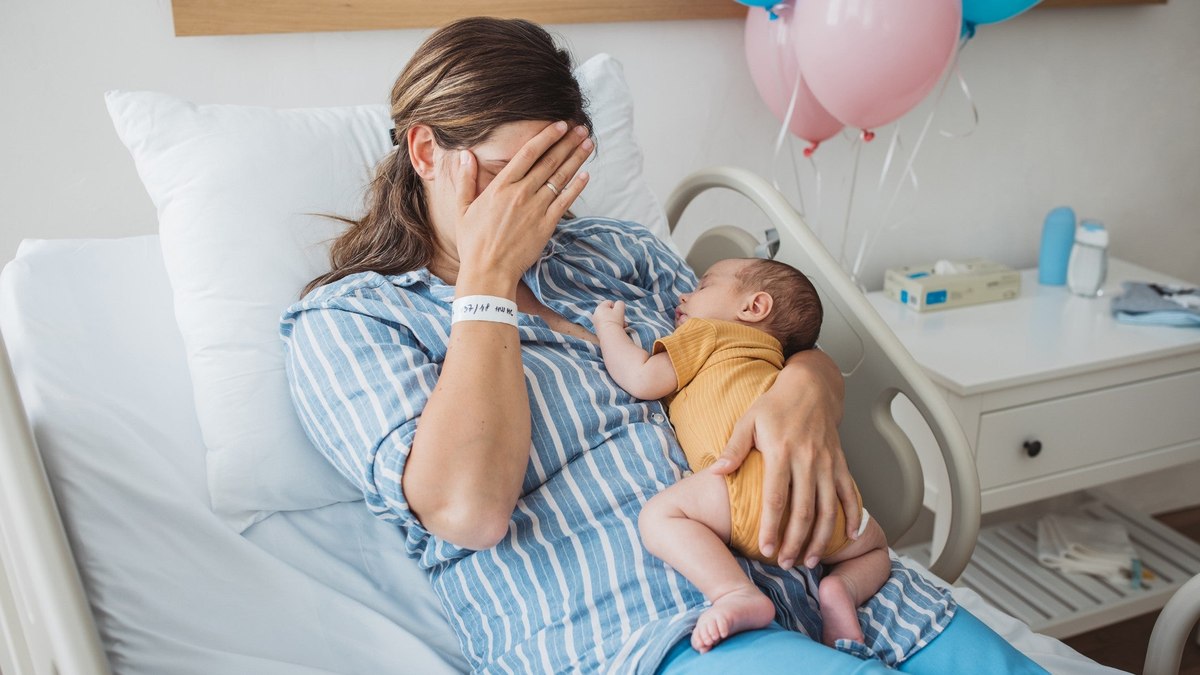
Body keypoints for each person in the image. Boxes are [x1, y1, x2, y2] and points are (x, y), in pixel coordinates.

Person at [280, 16, 1048, 674]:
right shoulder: (354, 323)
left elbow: (750, 341)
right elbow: (469, 511)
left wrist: (810, 388)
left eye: (557, 184)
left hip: (829, 582)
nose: (536, 212)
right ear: (426, 154)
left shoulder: (616, 253)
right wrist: (487, 275)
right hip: (649, 631)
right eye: (511, 181)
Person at [592, 257, 890, 654]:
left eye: (702, 287)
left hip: (740, 496)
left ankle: (734, 592)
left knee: (659, 516)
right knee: (875, 548)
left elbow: (643, 377)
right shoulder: (778, 362)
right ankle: (841, 589)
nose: (685, 295)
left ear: (753, 308)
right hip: (823, 508)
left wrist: (609, 329)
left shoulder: (709, 333)